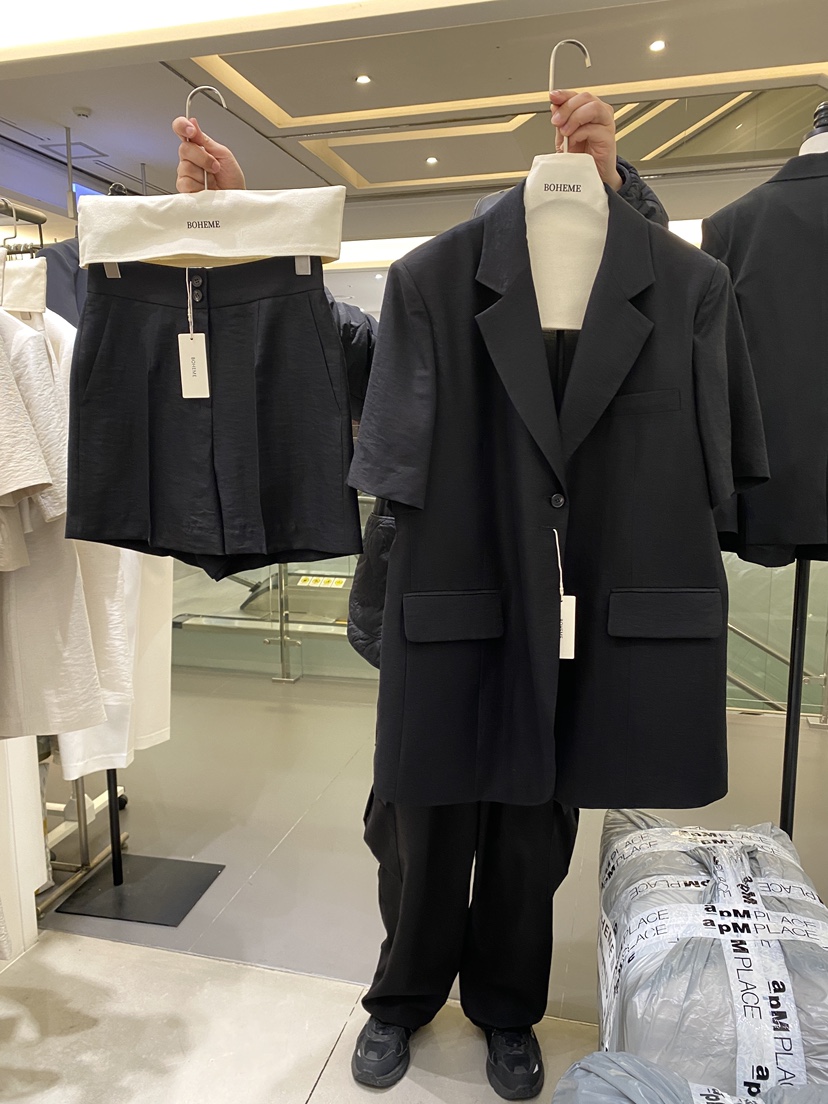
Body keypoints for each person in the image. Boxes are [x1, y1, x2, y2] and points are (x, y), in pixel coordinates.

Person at [172, 89, 670, 1100]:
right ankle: (401, 996)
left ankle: (507, 1007)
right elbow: (319, 339)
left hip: (562, 603)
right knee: (415, 817)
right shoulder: (430, 298)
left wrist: (619, 193)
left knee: (533, 823)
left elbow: (663, 299)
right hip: (434, 604)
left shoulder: (610, 312)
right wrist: (241, 223)